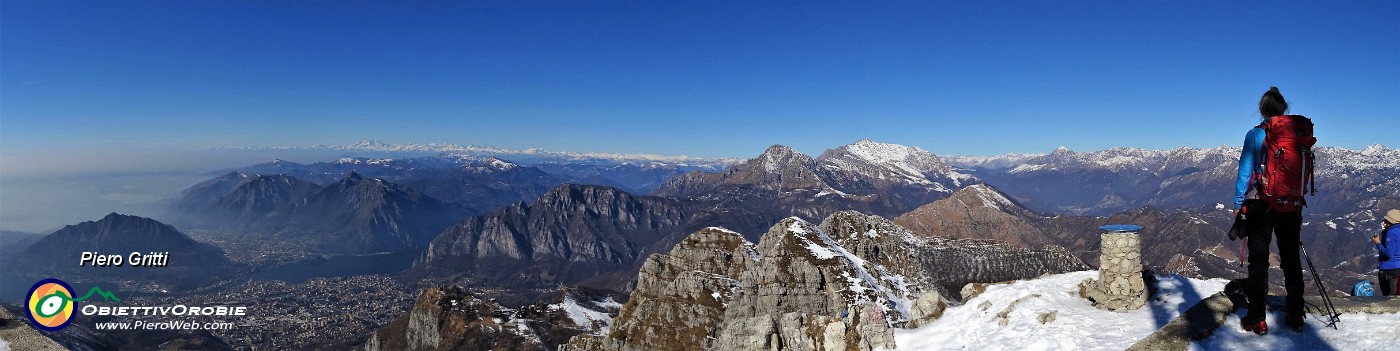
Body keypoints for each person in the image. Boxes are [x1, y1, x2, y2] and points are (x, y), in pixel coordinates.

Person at [1232, 87, 1306, 335]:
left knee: (1258, 262)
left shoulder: (1254, 135)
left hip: (1260, 204)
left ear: (1262, 110)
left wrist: (1238, 202)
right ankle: (1295, 314)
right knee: (1291, 261)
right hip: (1290, 204)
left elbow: (1244, 172)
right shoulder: (1298, 135)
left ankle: (1257, 319)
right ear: (1284, 109)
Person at [1375, 209, 1400, 296]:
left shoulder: (1391, 232)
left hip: (1388, 269)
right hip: (1398, 268)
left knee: (1387, 298)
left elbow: (1388, 254)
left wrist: (1377, 243)